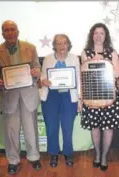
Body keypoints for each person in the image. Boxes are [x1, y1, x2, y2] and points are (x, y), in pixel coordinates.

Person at [0, 20, 41, 174]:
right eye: (6, 30)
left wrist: (36, 72)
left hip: (28, 94)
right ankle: (13, 160)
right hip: (9, 96)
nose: (10, 32)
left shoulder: (30, 48)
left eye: (12, 29)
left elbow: (37, 67)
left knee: (31, 129)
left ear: (18, 32)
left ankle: (34, 157)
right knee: (11, 131)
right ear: (2, 33)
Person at [80, 23, 119, 171]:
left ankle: (104, 156)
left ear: (106, 36)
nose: (98, 36)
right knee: (95, 128)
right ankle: (97, 155)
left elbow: (117, 74)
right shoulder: (85, 52)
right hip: (92, 96)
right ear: (92, 35)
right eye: (96, 33)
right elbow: (84, 73)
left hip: (110, 96)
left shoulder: (113, 52)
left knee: (108, 128)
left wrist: (107, 62)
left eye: (102, 33)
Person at [40, 34, 81, 167]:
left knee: (67, 127)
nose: (61, 46)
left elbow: (78, 79)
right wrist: (43, 81)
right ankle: (53, 154)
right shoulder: (47, 58)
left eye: (64, 43)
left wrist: (79, 99)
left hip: (69, 97)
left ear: (68, 44)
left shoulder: (74, 58)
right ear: (54, 45)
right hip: (51, 97)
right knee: (51, 127)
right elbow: (42, 76)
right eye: (58, 43)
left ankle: (68, 153)